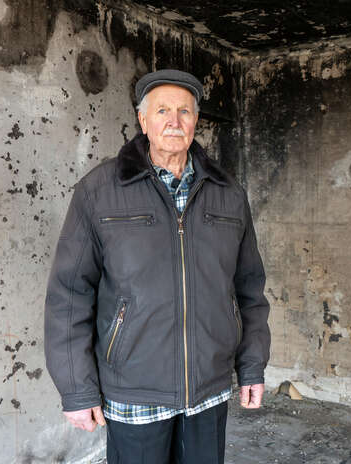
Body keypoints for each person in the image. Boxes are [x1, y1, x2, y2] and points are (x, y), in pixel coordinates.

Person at [44, 69, 270, 464]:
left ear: (195, 122)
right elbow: (69, 295)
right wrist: (77, 390)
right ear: (143, 120)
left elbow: (249, 289)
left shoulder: (229, 195)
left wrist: (251, 367)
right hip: (134, 389)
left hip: (208, 388)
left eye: (184, 112)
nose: (174, 120)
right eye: (162, 110)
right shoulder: (99, 191)